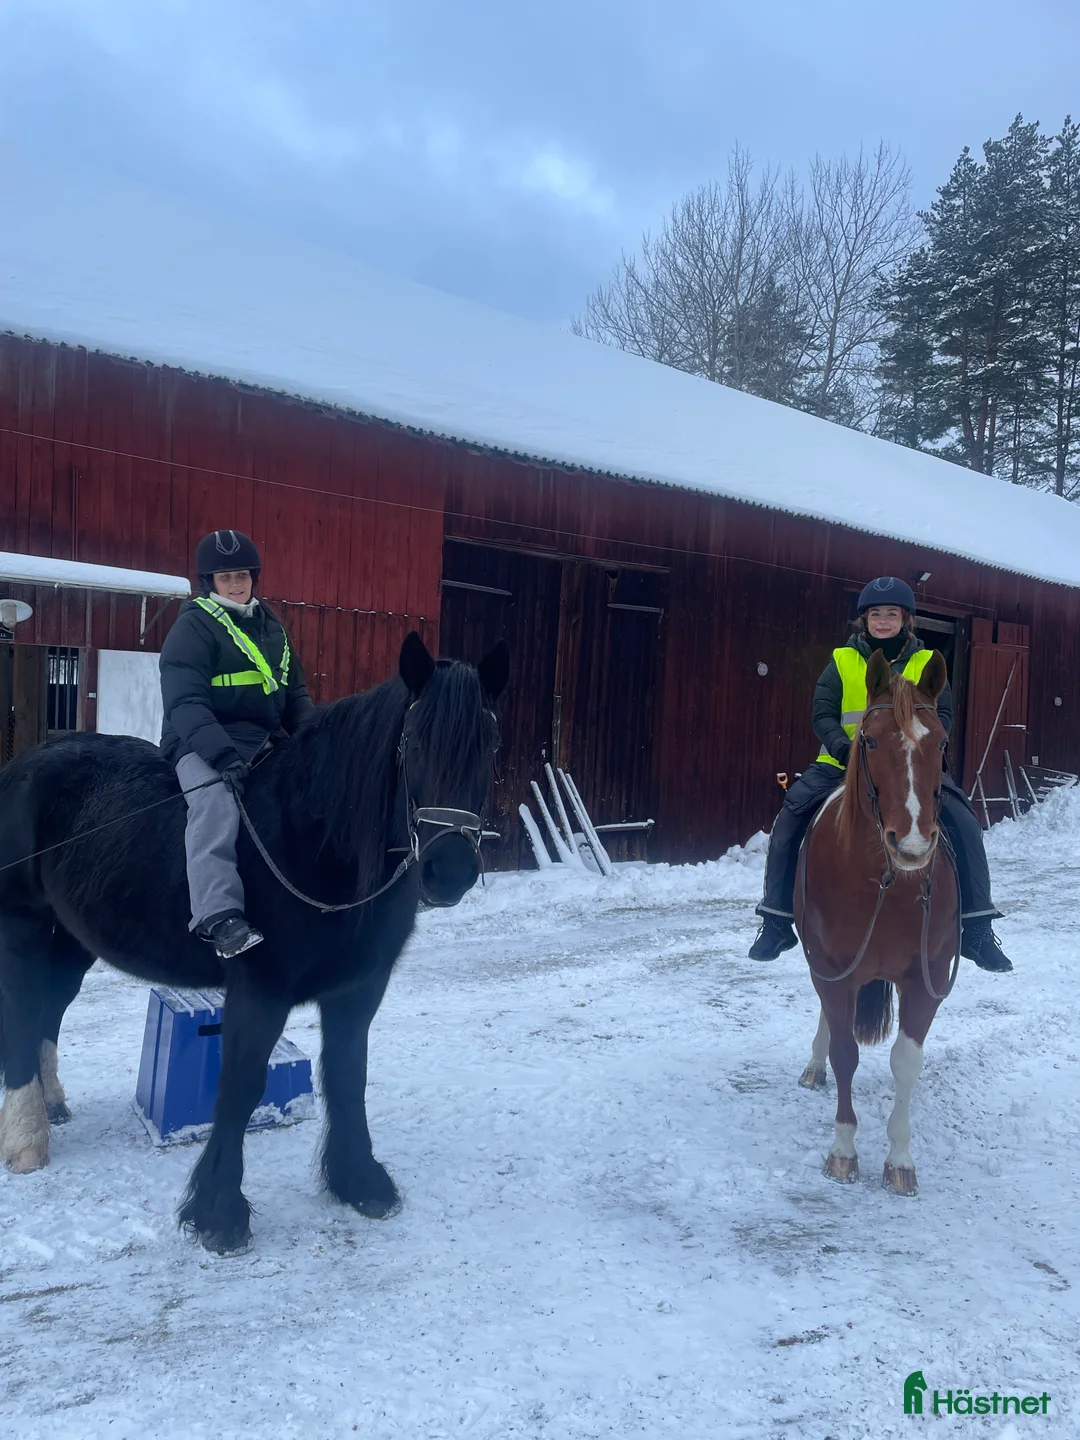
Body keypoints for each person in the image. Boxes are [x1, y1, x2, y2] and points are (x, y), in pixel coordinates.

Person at [748, 576, 1012, 972]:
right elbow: (822, 713)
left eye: (892, 614)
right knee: (791, 816)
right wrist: (845, 748)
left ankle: (976, 927)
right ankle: (777, 919)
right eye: (876, 614)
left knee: (963, 822)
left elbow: (943, 717)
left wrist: (923, 751)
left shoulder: (925, 662)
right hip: (842, 763)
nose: (883, 621)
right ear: (864, 620)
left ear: (906, 620)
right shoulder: (841, 660)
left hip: (910, 766)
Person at [159, 529, 315, 958]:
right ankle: (218, 916)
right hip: (199, 739)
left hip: (262, 738)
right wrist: (221, 754)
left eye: (242, 575)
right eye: (226, 577)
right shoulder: (194, 625)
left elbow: (294, 695)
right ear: (210, 582)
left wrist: (317, 740)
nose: (236, 584)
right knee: (215, 802)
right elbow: (185, 701)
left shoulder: (270, 626)